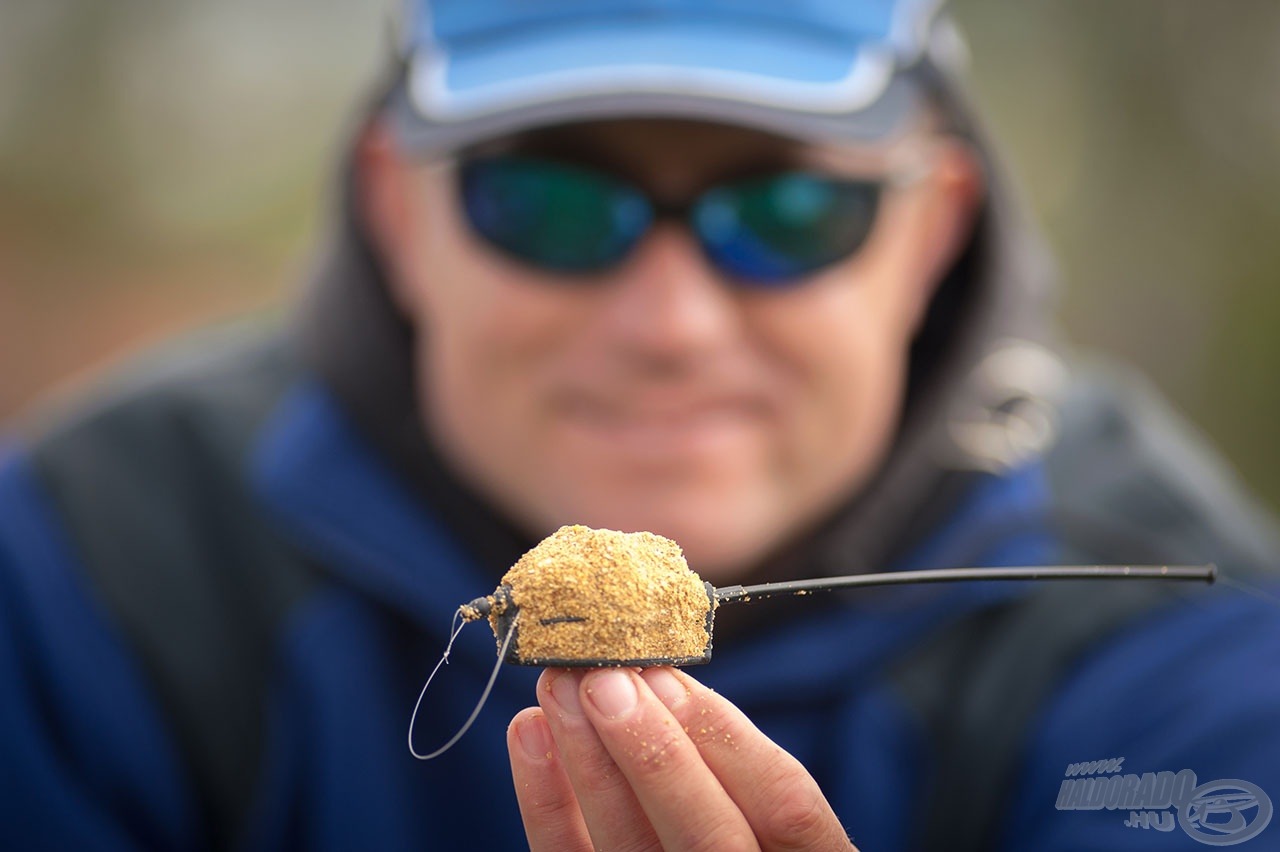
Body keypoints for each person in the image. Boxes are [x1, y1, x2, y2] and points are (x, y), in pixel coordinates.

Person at [2, 1, 1278, 850]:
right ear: (399, 218)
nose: (669, 324)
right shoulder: (85, 574)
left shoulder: (1189, 673)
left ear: (929, 235)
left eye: (784, 213)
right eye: (549, 206)